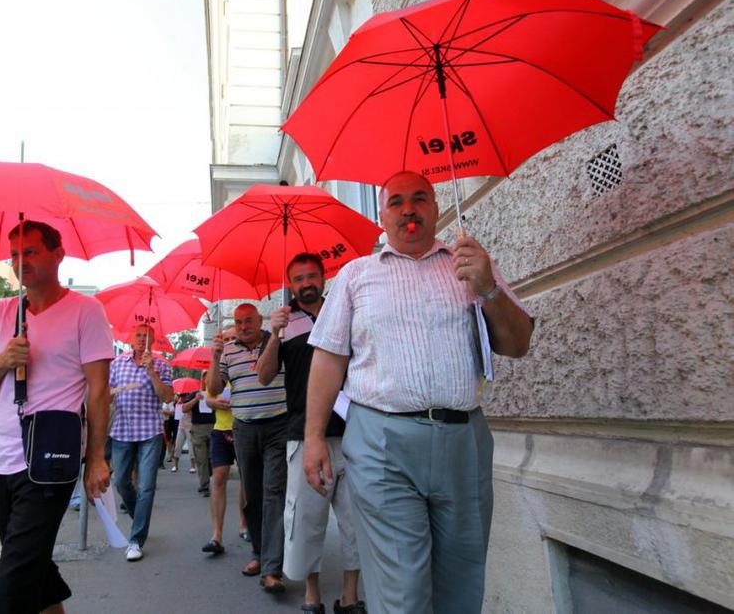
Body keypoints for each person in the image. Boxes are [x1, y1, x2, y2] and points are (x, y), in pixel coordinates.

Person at [304, 171, 534, 614]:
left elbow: (517, 344)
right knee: (402, 590)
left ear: (435, 206)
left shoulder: (471, 265)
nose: (408, 209)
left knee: (462, 583)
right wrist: (315, 437)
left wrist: (487, 287)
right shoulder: (356, 276)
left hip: (463, 441)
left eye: (419, 198)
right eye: (396, 201)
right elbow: (329, 359)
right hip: (382, 443)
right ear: (381, 214)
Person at [0, 221, 114, 614]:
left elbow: (99, 391)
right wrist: (3, 360)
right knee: (33, 565)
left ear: (57, 254)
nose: (20, 262)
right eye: (14, 254)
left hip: (52, 456)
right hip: (0, 457)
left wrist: (96, 457)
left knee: (14, 580)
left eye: (30, 252)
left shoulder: (86, 311)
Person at [256, 253, 365, 614]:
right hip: (303, 434)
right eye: (299, 278)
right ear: (291, 284)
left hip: (352, 431)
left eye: (312, 276)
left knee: (355, 519)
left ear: (323, 277)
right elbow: (263, 375)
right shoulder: (284, 322)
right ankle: (311, 592)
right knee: (305, 519)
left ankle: (350, 595)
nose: (306, 283)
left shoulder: (341, 309)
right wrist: (273, 334)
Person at [208, 303, 288, 594]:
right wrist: (214, 358)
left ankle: (271, 569)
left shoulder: (276, 340)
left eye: (248, 320)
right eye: (239, 322)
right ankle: (258, 552)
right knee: (252, 496)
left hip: (278, 426)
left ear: (260, 320)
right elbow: (215, 389)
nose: (243, 326)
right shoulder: (228, 350)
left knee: (273, 493)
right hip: (243, 429)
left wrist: (278, 332)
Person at [109, 323, 174, 561]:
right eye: (138, 335)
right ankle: (140, 519)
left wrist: (152, 372)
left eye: (146, 336)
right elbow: (106, 394)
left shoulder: (163, 365)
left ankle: (136, 539)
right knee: (121, 482)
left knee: (146, 486)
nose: (141, 339)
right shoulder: (116, 364)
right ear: (130, 338)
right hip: (122, 430)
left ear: (153, 340)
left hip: (150, 431)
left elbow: (168, 397)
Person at [184, 370, 215, 496]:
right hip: (198, 429)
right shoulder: (194, 394)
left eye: (209, 376)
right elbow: (184, 408)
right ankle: (204, 485)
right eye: (204, 376)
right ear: (201, 379)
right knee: (201, 459)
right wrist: (196, 399)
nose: (206, 379)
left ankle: (208, 475)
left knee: (212, 459)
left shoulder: (216, 393)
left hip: (215, 428)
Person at [172, 390, 197, 473]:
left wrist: (186, 407)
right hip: (181, 426)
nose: (180, 398)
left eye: (182, 396)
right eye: (180, 396)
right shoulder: (178, 403)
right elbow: (177, 416)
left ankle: (193, 466)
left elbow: (191, 414)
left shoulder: (189, 404)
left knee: (191, 447)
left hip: (190, 426)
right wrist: (178, 404)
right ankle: (175, 465)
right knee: (177, 446)